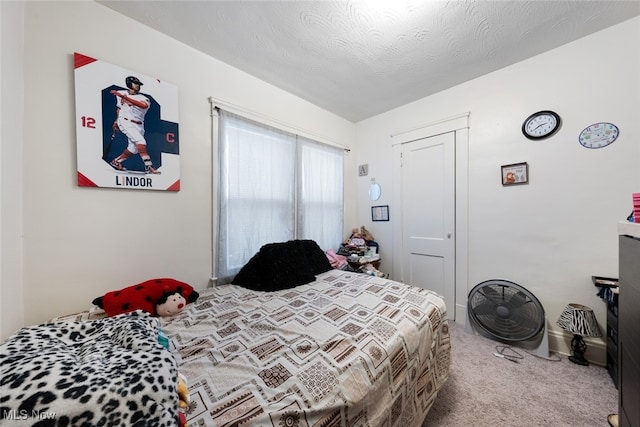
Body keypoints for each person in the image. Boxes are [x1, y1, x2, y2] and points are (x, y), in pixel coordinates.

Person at [109, 76, 160, 174]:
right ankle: (149, 167)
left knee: (134, 149)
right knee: (141, 141)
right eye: (135, 84)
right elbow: (119, 108)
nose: (138, 86)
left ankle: (116, 161)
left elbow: (143, 105)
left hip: (139, 125)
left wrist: (125, 97)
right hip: (125, 121)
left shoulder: (144, 98)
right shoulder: (121, 93)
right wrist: (116, 121)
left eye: (139, 84)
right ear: (129, 84)